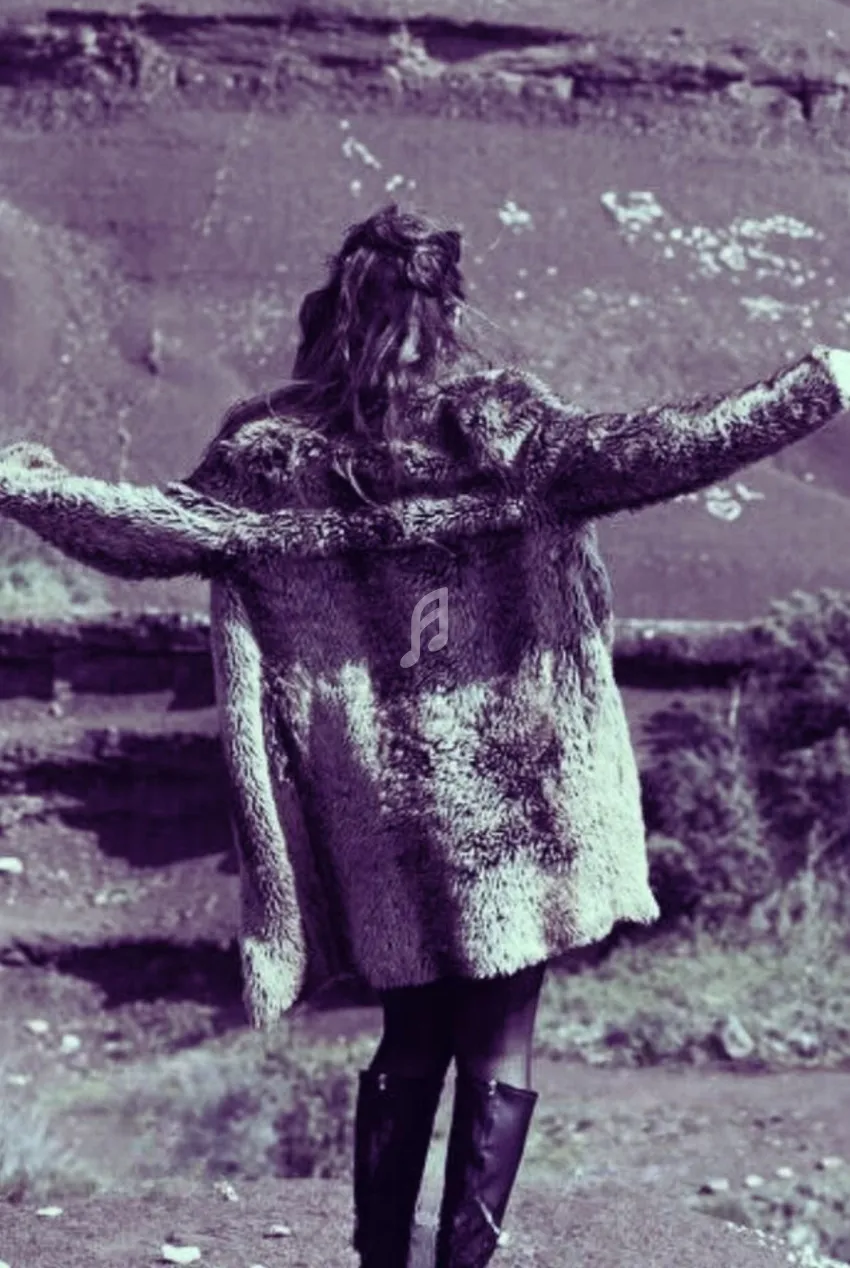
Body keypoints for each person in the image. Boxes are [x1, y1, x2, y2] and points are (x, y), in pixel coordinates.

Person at [1, 201, 850, 1268]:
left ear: (337, 310)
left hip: (381, 810)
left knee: (409, 1032)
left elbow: (148, 529)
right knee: (499, 1039)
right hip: (515, 801)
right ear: (444, 312)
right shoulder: (504, 431)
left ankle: (381, 1262)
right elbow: (662, 447)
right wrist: (813, 385)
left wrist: (24, 483)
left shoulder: (271, 457)